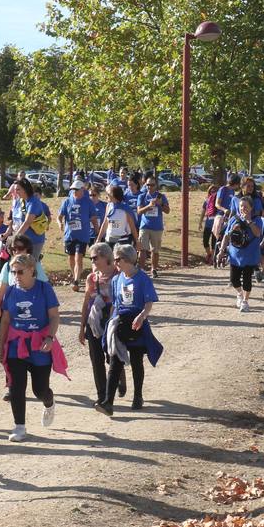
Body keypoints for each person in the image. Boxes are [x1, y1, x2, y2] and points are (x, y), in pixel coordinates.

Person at [0, 253, 62, 442]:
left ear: (32, 270)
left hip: (40, 344)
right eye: (13, 272)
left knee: (39, 390)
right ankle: (19, 427)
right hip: (17, 345)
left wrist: (50, 337)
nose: (16, 275)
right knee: (16, 387)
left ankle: (49, 403)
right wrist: (1, 346)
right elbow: (6, 320)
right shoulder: (10, 291)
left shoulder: (44, 289)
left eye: (20, 272)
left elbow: (54, 316)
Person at [97, 245, 161, 416]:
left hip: (137, 323)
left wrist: (141, 316)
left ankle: (138, 396)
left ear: (126, 260)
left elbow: (148, 304)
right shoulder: (117, 280)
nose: (115, 263)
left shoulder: (142, 279)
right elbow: (115, 305)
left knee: (136, 360)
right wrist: (110, 324)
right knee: (115, 360)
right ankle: (107, 403)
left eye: (117, 259)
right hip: (121, 323)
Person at [79, 243, 119, 406]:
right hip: (93, 321)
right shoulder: (91, 278)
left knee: (112, 357)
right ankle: (102, 395)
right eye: (91, 258)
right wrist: (81, 328)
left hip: (112, 320)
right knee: (96, 359)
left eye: (95, 257)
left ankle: (119, 376)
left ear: (106, 257)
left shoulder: (118, 275)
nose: (92, 261)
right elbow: (86, 302)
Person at [222, 196, 264, 311]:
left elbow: (257, 234)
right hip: (235, 255)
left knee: (247, 279)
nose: (243, 208)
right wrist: (221, 251)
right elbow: (226, 235)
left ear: (251, 208)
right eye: (241, 206)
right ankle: (240, 293)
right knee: (234, 279)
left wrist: (249, 222)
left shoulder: (257, 220)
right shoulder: (234, 219)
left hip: (250, 256)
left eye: (246, 206)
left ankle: (245, 301)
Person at [58, 180, 98, 290]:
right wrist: (60, 223)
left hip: (83, 235)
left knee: (78, 257)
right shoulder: (67, 201)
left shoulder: (88, 202)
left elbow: (94, 217)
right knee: (71, 258)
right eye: (72, 190)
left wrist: (97, 231)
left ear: (82, 190)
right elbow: (60, 216)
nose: (74, 191)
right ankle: (75, 275)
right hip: (69, 234)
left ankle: (76, 280)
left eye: (76, 189)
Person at [135, 174, 170, 277]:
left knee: (155, 250)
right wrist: (148, 206)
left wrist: (160, 204)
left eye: (152, 185)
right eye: (148, 185)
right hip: (145, 226)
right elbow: (139, 212)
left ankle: (153, 269)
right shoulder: (142, 196)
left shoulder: (161, 196)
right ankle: (141, 271)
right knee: (142, 249)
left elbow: (167, 211)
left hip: (157, 227)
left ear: (156, 185)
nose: (150, 187)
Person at [9, 178, 52, 259]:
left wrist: (14, 238)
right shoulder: (20, 201)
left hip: (34, 241)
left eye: (18, 189)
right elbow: (14, 220)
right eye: (15, 190)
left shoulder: (34, 202)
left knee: (30, 267)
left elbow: (27, 222)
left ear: (25, 189)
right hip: (21, 240)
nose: (16, 192)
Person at [98, 185, 139, 249]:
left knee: (120, 259)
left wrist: (137, 241)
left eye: (109, 193)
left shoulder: (125, 208)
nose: (107, 195)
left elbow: (132, 226)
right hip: (109, 239)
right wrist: (99, 239)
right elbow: (105, 223)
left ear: (114, 195)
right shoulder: (109, 206)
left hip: (122, 240)